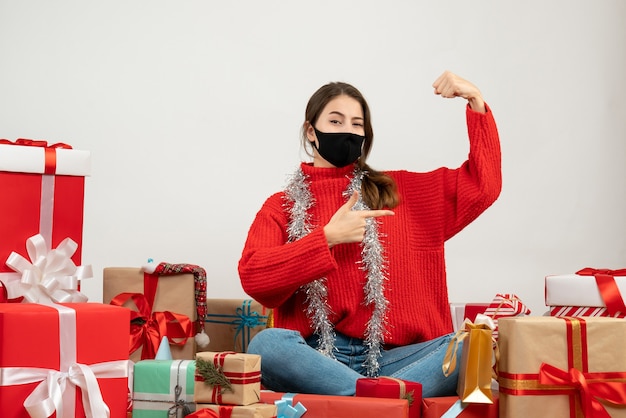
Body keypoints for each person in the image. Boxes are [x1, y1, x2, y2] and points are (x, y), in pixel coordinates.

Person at [238, 71, 501, 397]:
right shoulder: (282, 206)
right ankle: (383, 402)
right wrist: (326, 238)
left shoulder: (400, 191)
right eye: (335, 122)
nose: (347, 130)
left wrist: (475, 100)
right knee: (267, 345)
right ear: (311, 131)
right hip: (318, 361)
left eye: (356, 124)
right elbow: (254, 277)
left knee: (468, 345)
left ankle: (366, 401)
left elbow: (483, 185)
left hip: (398, 359)